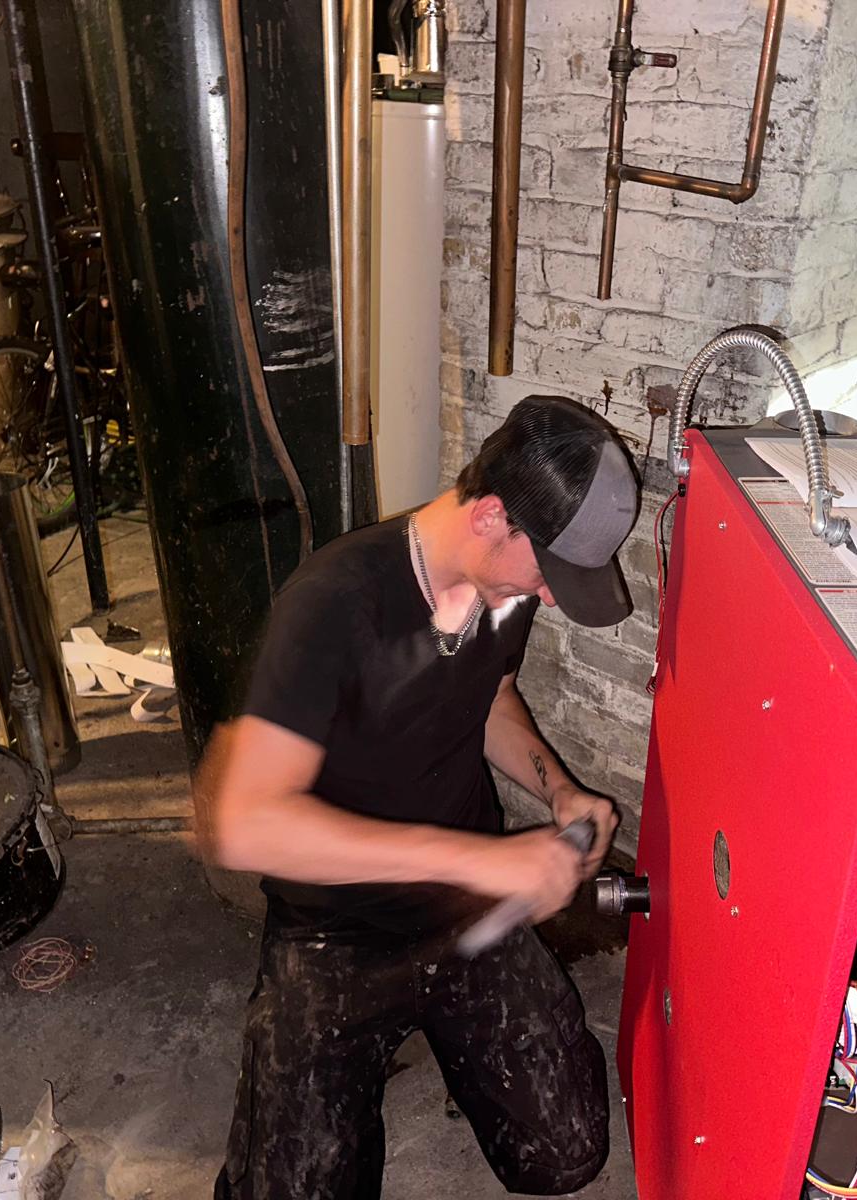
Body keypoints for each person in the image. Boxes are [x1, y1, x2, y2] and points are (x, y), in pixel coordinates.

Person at [199, 395, 641, 1200]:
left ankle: (450, 1035)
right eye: (547, 571)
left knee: (566, 1152)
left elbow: (489, 698)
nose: (548, 597)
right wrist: (488, 858)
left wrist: (558, 790)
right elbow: (243, 821)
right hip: (336, 924)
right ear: (491, 516)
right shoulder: (333, 601)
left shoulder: (501, 588)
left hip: (467, 906)